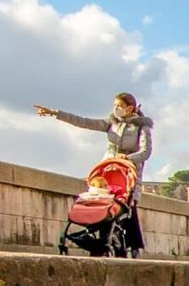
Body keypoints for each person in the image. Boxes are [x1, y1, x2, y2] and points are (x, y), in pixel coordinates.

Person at [36, 91, 153, 252]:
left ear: (130, 108)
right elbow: (84, 122)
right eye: (115, 105)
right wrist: (55, 113)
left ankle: (134, 245)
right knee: (104, 204)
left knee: (127, 207)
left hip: (129, 172)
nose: (115, 109)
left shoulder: (141, 128)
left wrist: (129, 159)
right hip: (108, 169)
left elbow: (146, 151)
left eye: (119, 106)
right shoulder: (112, 123)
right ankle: (100, 240)